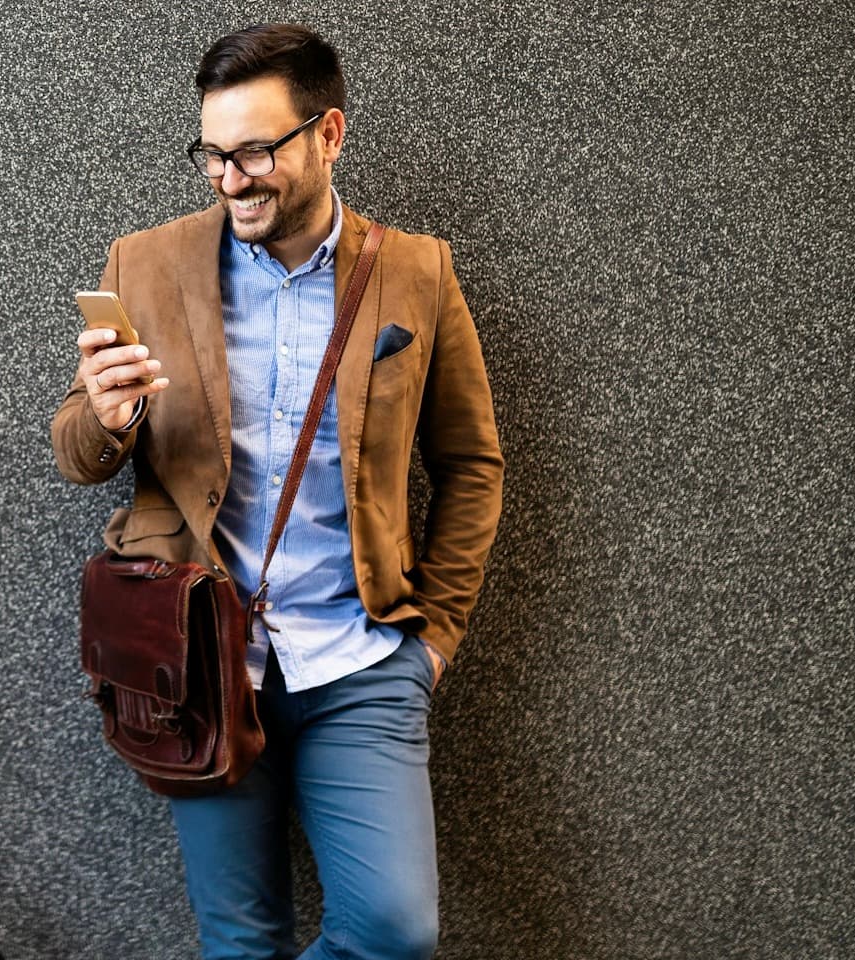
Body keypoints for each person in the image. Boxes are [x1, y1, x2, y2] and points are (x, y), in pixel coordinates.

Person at [51, 23, 504, 960]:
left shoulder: (417, 273)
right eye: (213, 155)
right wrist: (110, 415)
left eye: (255, 151)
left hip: (362, 661)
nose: (230, 178)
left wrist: (435, 640)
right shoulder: (145, 264)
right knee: (240, 939)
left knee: (394, 931)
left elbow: (471, 463)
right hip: (200, 664)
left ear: (329, 135)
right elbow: (77, 452)